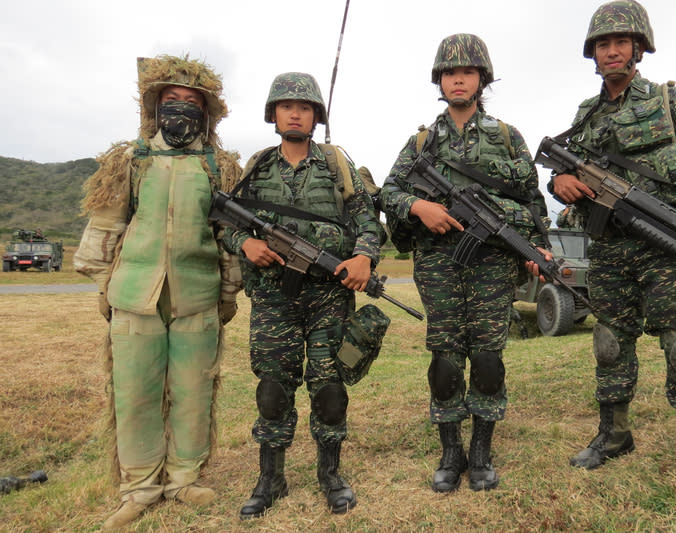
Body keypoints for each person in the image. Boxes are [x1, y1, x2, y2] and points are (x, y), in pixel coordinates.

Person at [549, 0, 676, 498]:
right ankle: (614, 435)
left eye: (620, 42)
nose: (611, 51)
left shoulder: (670, 102)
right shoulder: (586, 115)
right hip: (607, 247)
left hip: (662, 245)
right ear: (593, 53)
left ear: (639, 48)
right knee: (609, 342)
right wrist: (559, 181)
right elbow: (564, 170)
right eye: (603, 44)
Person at [74, 55, 243, 529]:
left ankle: (185, 478)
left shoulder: (219, 168)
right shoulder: (129, 161)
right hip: (134, 297)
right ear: (154, 106)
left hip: (198, 297)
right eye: (173, 101)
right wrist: (106, 287)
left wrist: (228, 293)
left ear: (206, 112)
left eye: (192, 103)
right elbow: (106, 228)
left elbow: (228, 239)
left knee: (193, 392)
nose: (182, 111)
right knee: (136, 394)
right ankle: (139, 487)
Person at [380, 34, 550, 493]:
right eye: (450, 73)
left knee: (489, 357)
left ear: (482, 80)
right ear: (440, 80)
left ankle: (481, 451)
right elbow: (388, 192)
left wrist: (540, 248)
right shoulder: (421, 141)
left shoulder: (508, 137)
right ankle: (451, 450)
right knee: (446, 359)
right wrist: (421, 209)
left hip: (493, 264)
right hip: (438, 263)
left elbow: (533, 203)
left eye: (468, 72)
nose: (458, 79)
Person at [223, 72, 382, 518]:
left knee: (329, 388)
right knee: (273, 389)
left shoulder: (337, 167)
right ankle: (270, 478)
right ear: (273, 114)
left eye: (305, 106)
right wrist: (244, 244)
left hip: (329, 296)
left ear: (316, 116)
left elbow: (369, 224)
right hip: (274, 297)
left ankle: (330, 475)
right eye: (286, 105)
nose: (295, 112)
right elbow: (226, 222)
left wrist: (364, 257)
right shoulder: (257, 168)